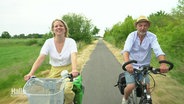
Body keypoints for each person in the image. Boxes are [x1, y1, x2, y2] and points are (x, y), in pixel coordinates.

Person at [24, 19, 79, 104]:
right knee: (52, 95)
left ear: (65, 29)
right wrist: (31, 73)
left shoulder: (70, 41)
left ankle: (70, 102)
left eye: (61, 25)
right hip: (54, 72)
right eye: (56, 26)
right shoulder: (48, 42)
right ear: (53, 29)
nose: (58, 27)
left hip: (68, 72)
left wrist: (74, 69)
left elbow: (73, 55)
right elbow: (41, 57)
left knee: (66, 91)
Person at [120, 16, 169, 104]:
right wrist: (127, 63)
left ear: (148, 26)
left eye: (145, 25)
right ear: (136, 26)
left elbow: (158, 50)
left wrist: (163, 63)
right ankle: (125, 98)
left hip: (144, 67)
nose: (143, 28)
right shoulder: (132, 36)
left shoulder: (152, 37)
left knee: (147, 88)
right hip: (131, 65)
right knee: (131, 86)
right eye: (140, 25)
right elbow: (126, 50)